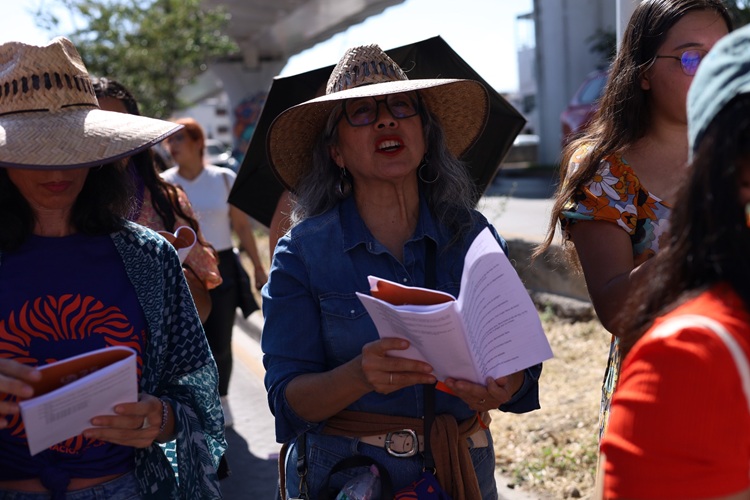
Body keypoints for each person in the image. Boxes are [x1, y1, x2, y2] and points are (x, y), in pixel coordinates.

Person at [260, 44, 542, 500]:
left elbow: (520, 367)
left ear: (425, 135)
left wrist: (503, 386)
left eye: (400, 106)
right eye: (362, 112)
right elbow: (287, 402)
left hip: (461, 470)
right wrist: (358, 375)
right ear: (336, 152)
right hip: (347, 476)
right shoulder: (303, 253)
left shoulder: (471, 235)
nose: (386, 120)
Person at [0, 37, 225, 499]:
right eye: (35, 151)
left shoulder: (148, 257)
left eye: (71, 146)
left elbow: (196, 396)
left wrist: (159, 419)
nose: (56, 168)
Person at [534, 0, 732, 440]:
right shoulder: (604, 169)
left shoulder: (740, 155)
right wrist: (707, 232)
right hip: (664, 403)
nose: (713, 70)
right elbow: (616, 309)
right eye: (691, 57)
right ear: (643, 72)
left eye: (725, 53)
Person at [599, 23, 750, 499]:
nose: (702, 66)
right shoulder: (687, 362)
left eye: (716, 50)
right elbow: (612, 305)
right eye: (689, 57)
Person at [161, 117, 268, 427]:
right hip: (185, 269)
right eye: (170, 141)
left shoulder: (222, 178)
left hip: (222, 266)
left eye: (180, 139)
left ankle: (221, 398)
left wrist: (259, 267)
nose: (173, 146)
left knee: (221, 340)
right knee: (193, 342)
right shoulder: (165, 183)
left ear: (198, 143)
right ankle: (200, 401)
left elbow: (242, 226)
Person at [92, 77, 222, 324]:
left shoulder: (167, 200)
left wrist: (168, 270)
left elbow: (202, 310)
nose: (109, 136)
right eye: (98, 126)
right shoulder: (60, 204)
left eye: (119, 125)